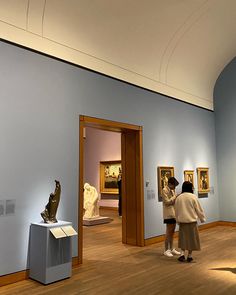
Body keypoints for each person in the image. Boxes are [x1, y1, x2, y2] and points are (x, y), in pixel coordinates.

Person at [175, 181, 206, 262]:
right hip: (192, 221)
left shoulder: (179, 197)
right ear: (190, 188)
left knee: (183, 239)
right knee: (192, 240)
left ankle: (182, 254)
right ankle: (189, 255)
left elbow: (176, 210)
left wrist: (177, 221)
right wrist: (202, 219)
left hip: (182, 222)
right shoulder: (193, 197)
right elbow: (199, 209)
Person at [161, 177, 181, 257]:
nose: (174, 187)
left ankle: (172, 248)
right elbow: (167, 202)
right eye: (174, 186)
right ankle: (166, 250)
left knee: (172, 232)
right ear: (169, 184)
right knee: (168, 232)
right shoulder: (164, 190)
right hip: (168, 214)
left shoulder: (172, 190)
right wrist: (175, 196)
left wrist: (176, 196)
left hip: (173, 213)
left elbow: (173, 201)